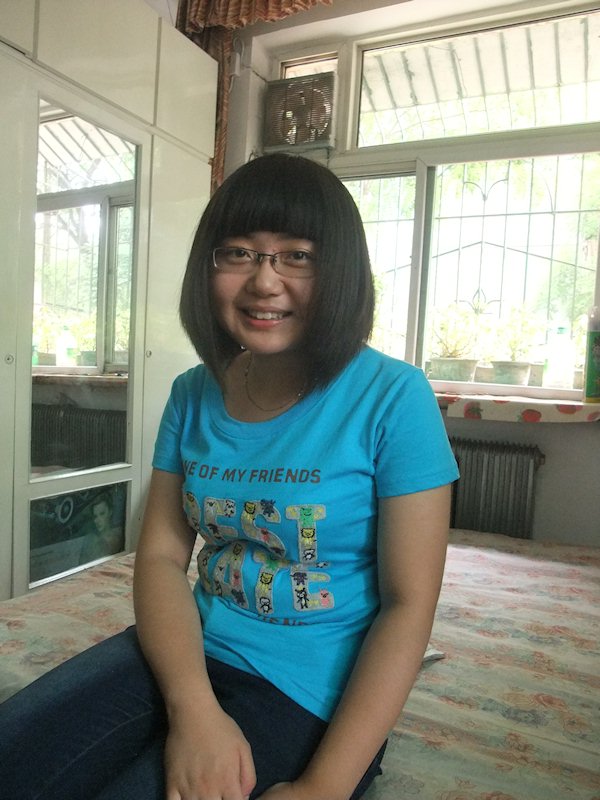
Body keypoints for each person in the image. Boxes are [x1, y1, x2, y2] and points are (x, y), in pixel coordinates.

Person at [0, 153, 458, 800]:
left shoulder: (393, 396)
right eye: (238, 253)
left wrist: (324, 788)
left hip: (310, 688)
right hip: (188, 651)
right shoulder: (194, 392)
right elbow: (161, 558)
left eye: (298, 255)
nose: (265, 281)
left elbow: (408, 604)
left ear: (341, 271)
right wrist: (193, 709)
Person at [79, 492, 124, 563]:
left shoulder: (120, 534)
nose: (97, 520)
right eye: (95, 516)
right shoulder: (89, 540)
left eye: (102, 514)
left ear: (110, 511)